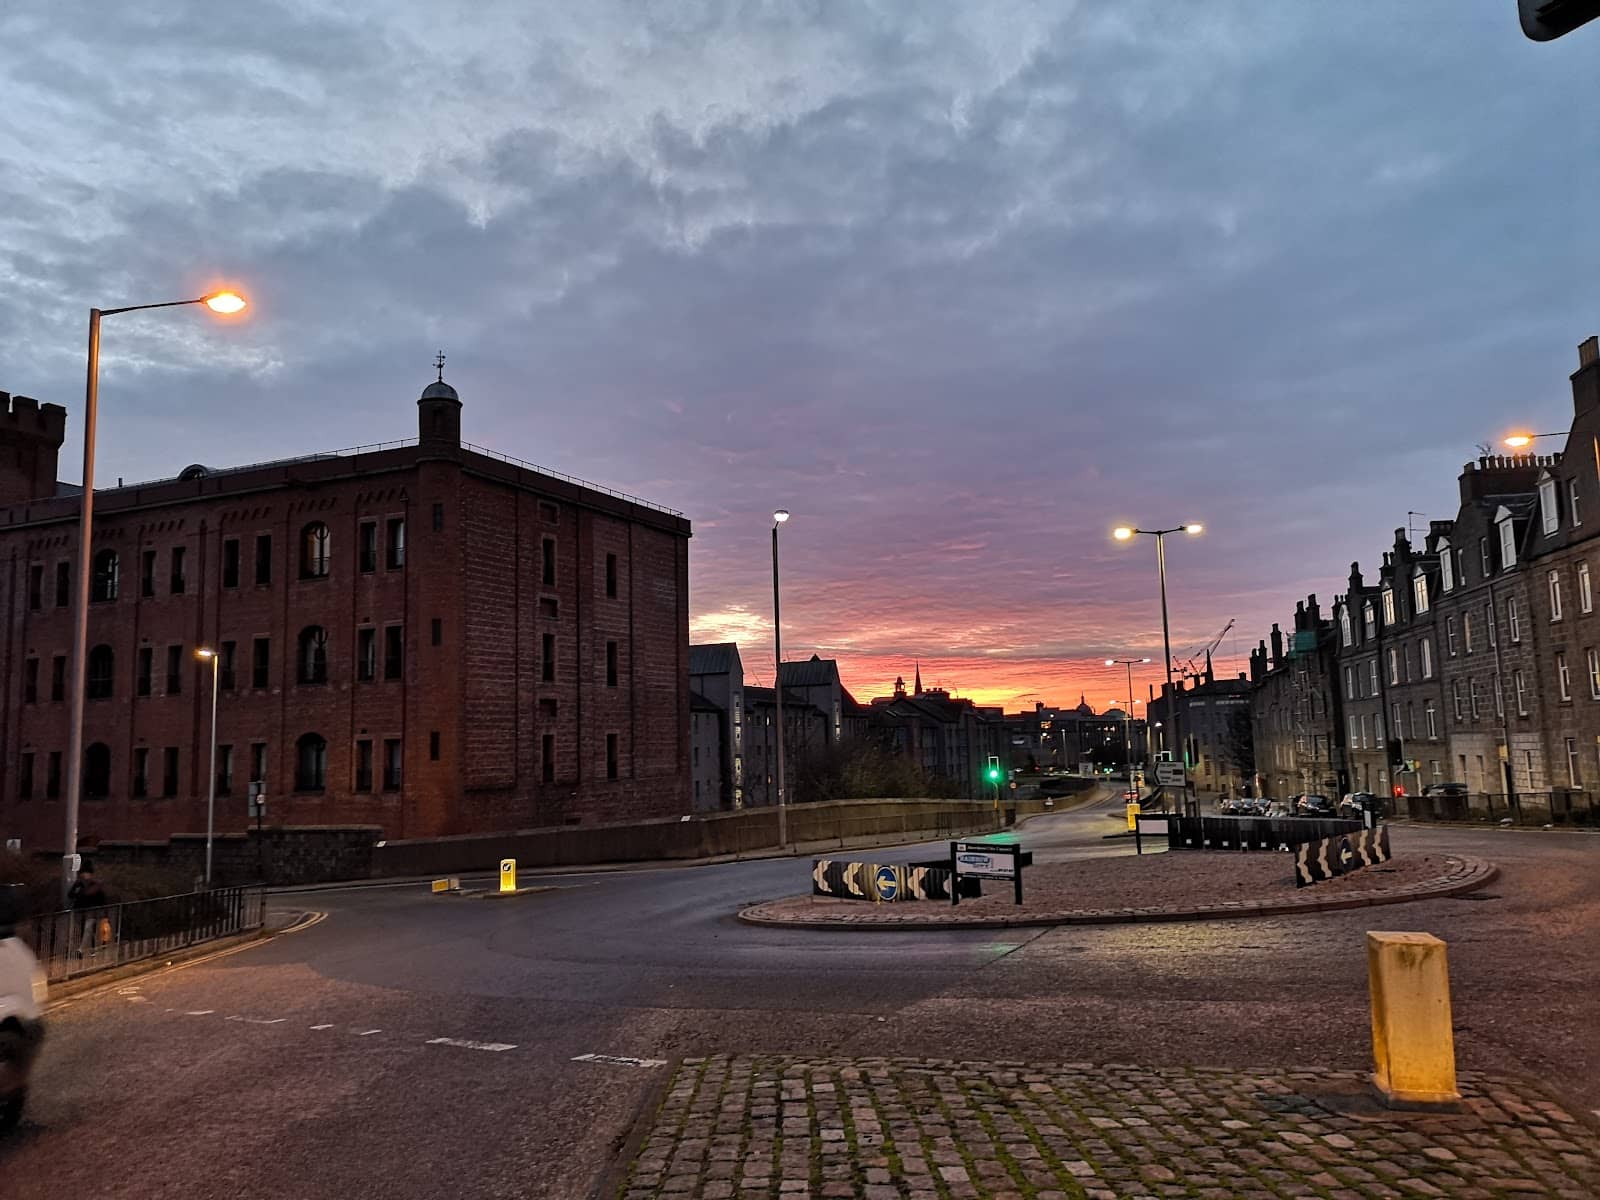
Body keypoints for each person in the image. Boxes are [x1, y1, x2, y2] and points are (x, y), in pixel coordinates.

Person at [68, 862, 109, 959]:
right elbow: (70, 895)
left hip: (92, 912)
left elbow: (102, 898)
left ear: (90, 874)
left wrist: (103, 912)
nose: (85, 875)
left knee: (88, 929)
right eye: (83, 873)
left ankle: (81, 950)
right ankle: (90, 949)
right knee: (84, 931)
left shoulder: (95, 885)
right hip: (80, 911)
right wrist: (76, 893)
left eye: (87, 873)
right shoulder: (78, 884)